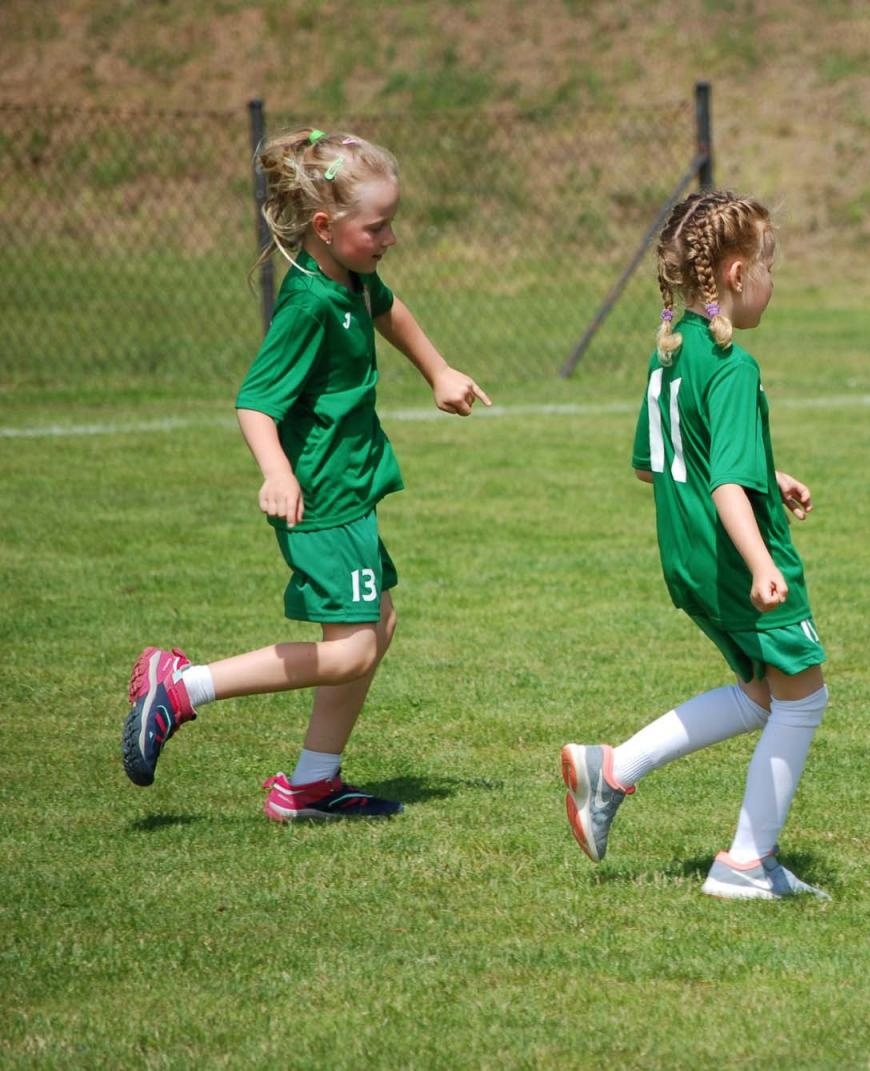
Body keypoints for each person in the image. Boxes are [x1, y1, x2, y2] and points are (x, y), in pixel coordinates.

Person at [121, 128, 491, 820]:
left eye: (392, 223)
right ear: (326, 226)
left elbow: (390, 308)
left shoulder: (350, 280)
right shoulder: (310, 301)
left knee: (377, 622)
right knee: (353, 650)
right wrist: (276, 472)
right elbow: (255, 401)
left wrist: (438, 370)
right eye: (377, 226)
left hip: (350, 491)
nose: (389, 238)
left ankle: (313, 784)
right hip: (317, 498)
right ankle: (181, 685)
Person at [562, 191, 831, 901]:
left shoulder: (671, 354)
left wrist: (766, 471)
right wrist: (763, 561)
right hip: (731, 556)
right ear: (739, 274)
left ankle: (613, 767)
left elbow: (663, 459)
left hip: (685, 558)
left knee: (764, 695)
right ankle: (747, 862)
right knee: (803, 697)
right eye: (770, 265)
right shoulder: (732, 364)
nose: (776, 280)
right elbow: (722, 487)